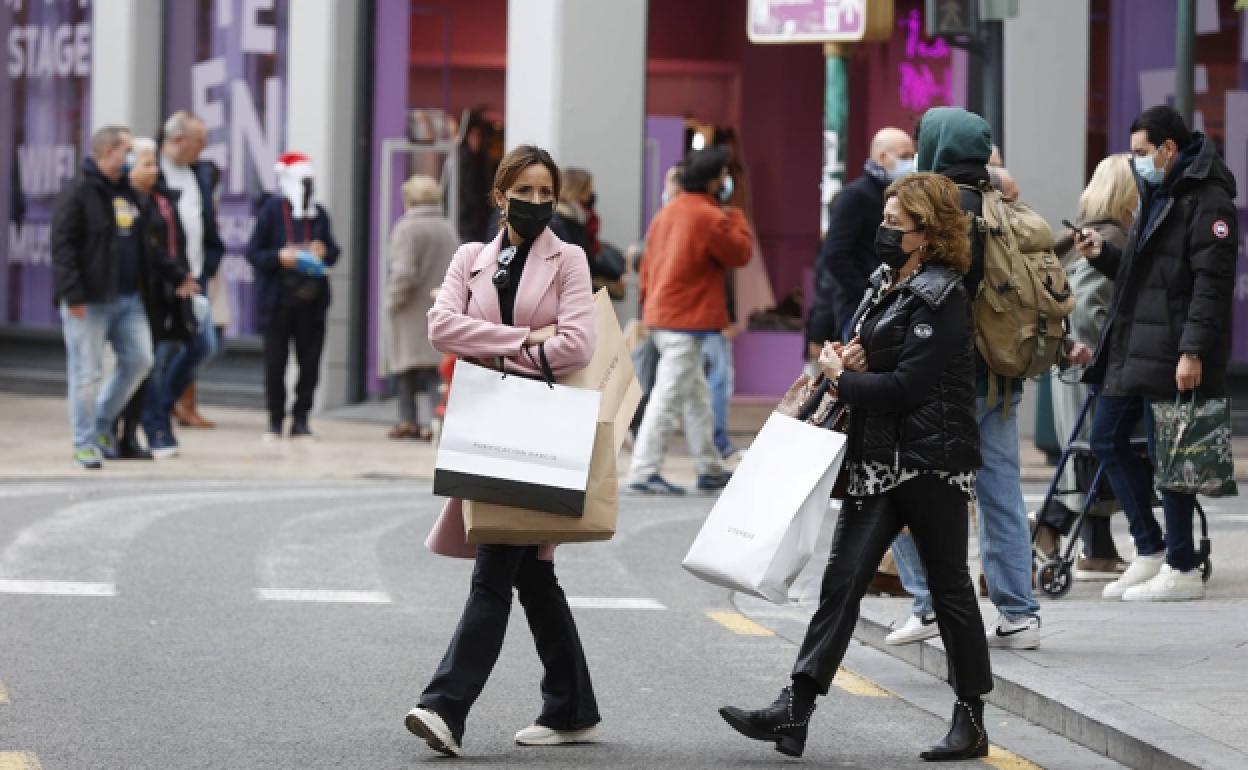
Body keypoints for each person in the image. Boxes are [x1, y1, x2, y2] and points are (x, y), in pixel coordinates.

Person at [719, 173, 991, 762]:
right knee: (841, 584)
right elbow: (876, 356)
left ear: (931, 233)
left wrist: (845, 376)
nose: (886, 231)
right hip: (877, 460)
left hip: (929, 462)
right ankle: (795, 710)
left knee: (949, 591)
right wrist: (847, 356)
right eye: (885, 220)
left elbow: (909, 385)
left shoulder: (944, 295)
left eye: (899, 224)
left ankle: (971, 718)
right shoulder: (884, 283)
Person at [407, 145, 599, 757]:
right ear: (500, 195)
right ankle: (571, 707)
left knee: (496, 568)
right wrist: (523, 339)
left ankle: (445, 707)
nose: (538, 202)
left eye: (548, 192)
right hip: (490, 425)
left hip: (539, 430)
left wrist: (493, 348)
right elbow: (441, 327)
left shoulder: (569, 260)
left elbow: (577, 345)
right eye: (528, 190)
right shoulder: (470, 258)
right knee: (533, 576)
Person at [887, 108, 1044, 650]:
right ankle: (1019, 614)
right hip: (1000, 376)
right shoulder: (1006, 206)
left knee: (903, 482)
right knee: (1000, 491)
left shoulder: (938, 207)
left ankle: (929, 604)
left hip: (942, 376)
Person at [1075, 105, 1237, 602]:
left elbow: (1211, 285)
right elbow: (1144, 277)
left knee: (1172, 454)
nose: (1136, 163)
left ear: (1169, 148)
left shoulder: (1207, 199)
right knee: (1105, 439)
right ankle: (1150, 549)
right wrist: (1104, 254)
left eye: (1143, 153)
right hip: (1136, 344)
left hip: (1170, 347)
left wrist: (1192, 351)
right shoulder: (1158, 191)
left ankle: (1181, 564)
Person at [1031, 154, 1137, 577]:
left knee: (1093, 447)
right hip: (1091, 363)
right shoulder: (1111, 235)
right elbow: (1089, 307)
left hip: (1076, 363)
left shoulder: (1084, 232)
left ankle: (1099, 547)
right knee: (1096, 448)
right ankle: (1051, 523)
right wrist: (1099, 354)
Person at [627, 146, 752, 495]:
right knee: (667, 398)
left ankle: (708, 465)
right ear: (714, 180)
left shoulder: (668, 212)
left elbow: (648, 264)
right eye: (724, 177)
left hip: (662, 314)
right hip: (687, 319)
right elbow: (740, 253)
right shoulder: (710, 217)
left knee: (695, 395)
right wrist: (736, 213)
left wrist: (648, 304)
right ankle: (642, 469)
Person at [51, 126, 156, 469]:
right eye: (126, 150)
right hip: (89, 301)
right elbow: (62, 246)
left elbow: (142, 244)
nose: (131, 158)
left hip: (128, 299)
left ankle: (100, 423)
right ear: (109, 151)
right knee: (86, 373)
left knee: (141, 360)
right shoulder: (79, 191)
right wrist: (72, 294)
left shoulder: (127, 193)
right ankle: (83, 443)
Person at [140, 112, 226, 456]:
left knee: (203, 345)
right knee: (160, 355)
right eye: (199, 141)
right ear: (178, 140)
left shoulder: (199, 175)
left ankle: (162, 406)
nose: (204, 149)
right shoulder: (151, 173)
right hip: (163, 283)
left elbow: (205, 225)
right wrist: (169, 276)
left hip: (194, 281)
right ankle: (155, 425)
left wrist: (206, 267)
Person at [115, 138, 201, 459]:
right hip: (134, 294)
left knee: (183, 350)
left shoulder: (161, 200)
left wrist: (182, 276)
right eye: (147, 164)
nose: (154, 170)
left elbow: (164, 248)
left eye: (154, 164)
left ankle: (142, 426)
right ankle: (113, 431)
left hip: (169, 291)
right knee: (141, 364)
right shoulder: (124, 201)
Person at [245, 152, 341, 440]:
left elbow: (335, 252)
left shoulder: (319, 213)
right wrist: (279, 257)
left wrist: (323, 251)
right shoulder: (272, 211)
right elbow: (253, 252)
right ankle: (275, 419)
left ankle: (302, 418)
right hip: (278, 300)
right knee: (275, 362)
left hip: (312, 301)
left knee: (309, 363)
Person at [806, 126, 915, 352]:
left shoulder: (902, 197)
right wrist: (869, 290)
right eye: (905, 156)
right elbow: (835, 254)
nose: (910, 163)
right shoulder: (855, 196)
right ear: (882, 156)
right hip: (859, 311)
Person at [384, 174, 459, 440]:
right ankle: (434, 421)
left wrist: (392, 301)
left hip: (411, 308)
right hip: (441, 305)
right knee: (433, 370)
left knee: (405, 367)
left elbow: (404, 273)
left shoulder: (406, 228)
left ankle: (408, 420)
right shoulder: (446, 227)